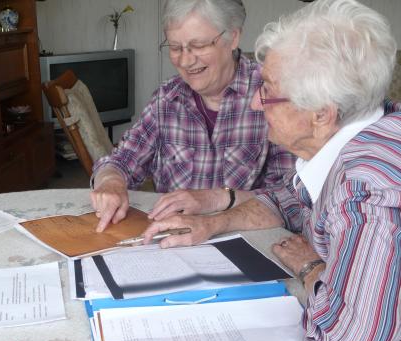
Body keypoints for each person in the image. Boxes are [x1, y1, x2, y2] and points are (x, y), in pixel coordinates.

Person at [143, 0, 401, 341]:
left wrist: (311, 268)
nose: (255, 104)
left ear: (321, 114)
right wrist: (213, 220)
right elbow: (285, 200)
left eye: (268, 90)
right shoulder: (365, 132)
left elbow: (355, 335)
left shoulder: (365, 185)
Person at [90, 0, 295, 232]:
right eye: (176, 48)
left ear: (233, 37)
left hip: (244, 240)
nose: (186, 61)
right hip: (175, 240)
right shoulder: (167, 99)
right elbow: (122, 160)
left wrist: (217, 199)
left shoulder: (272, 95)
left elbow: (292, 198)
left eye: (198, 45)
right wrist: (111, 181)